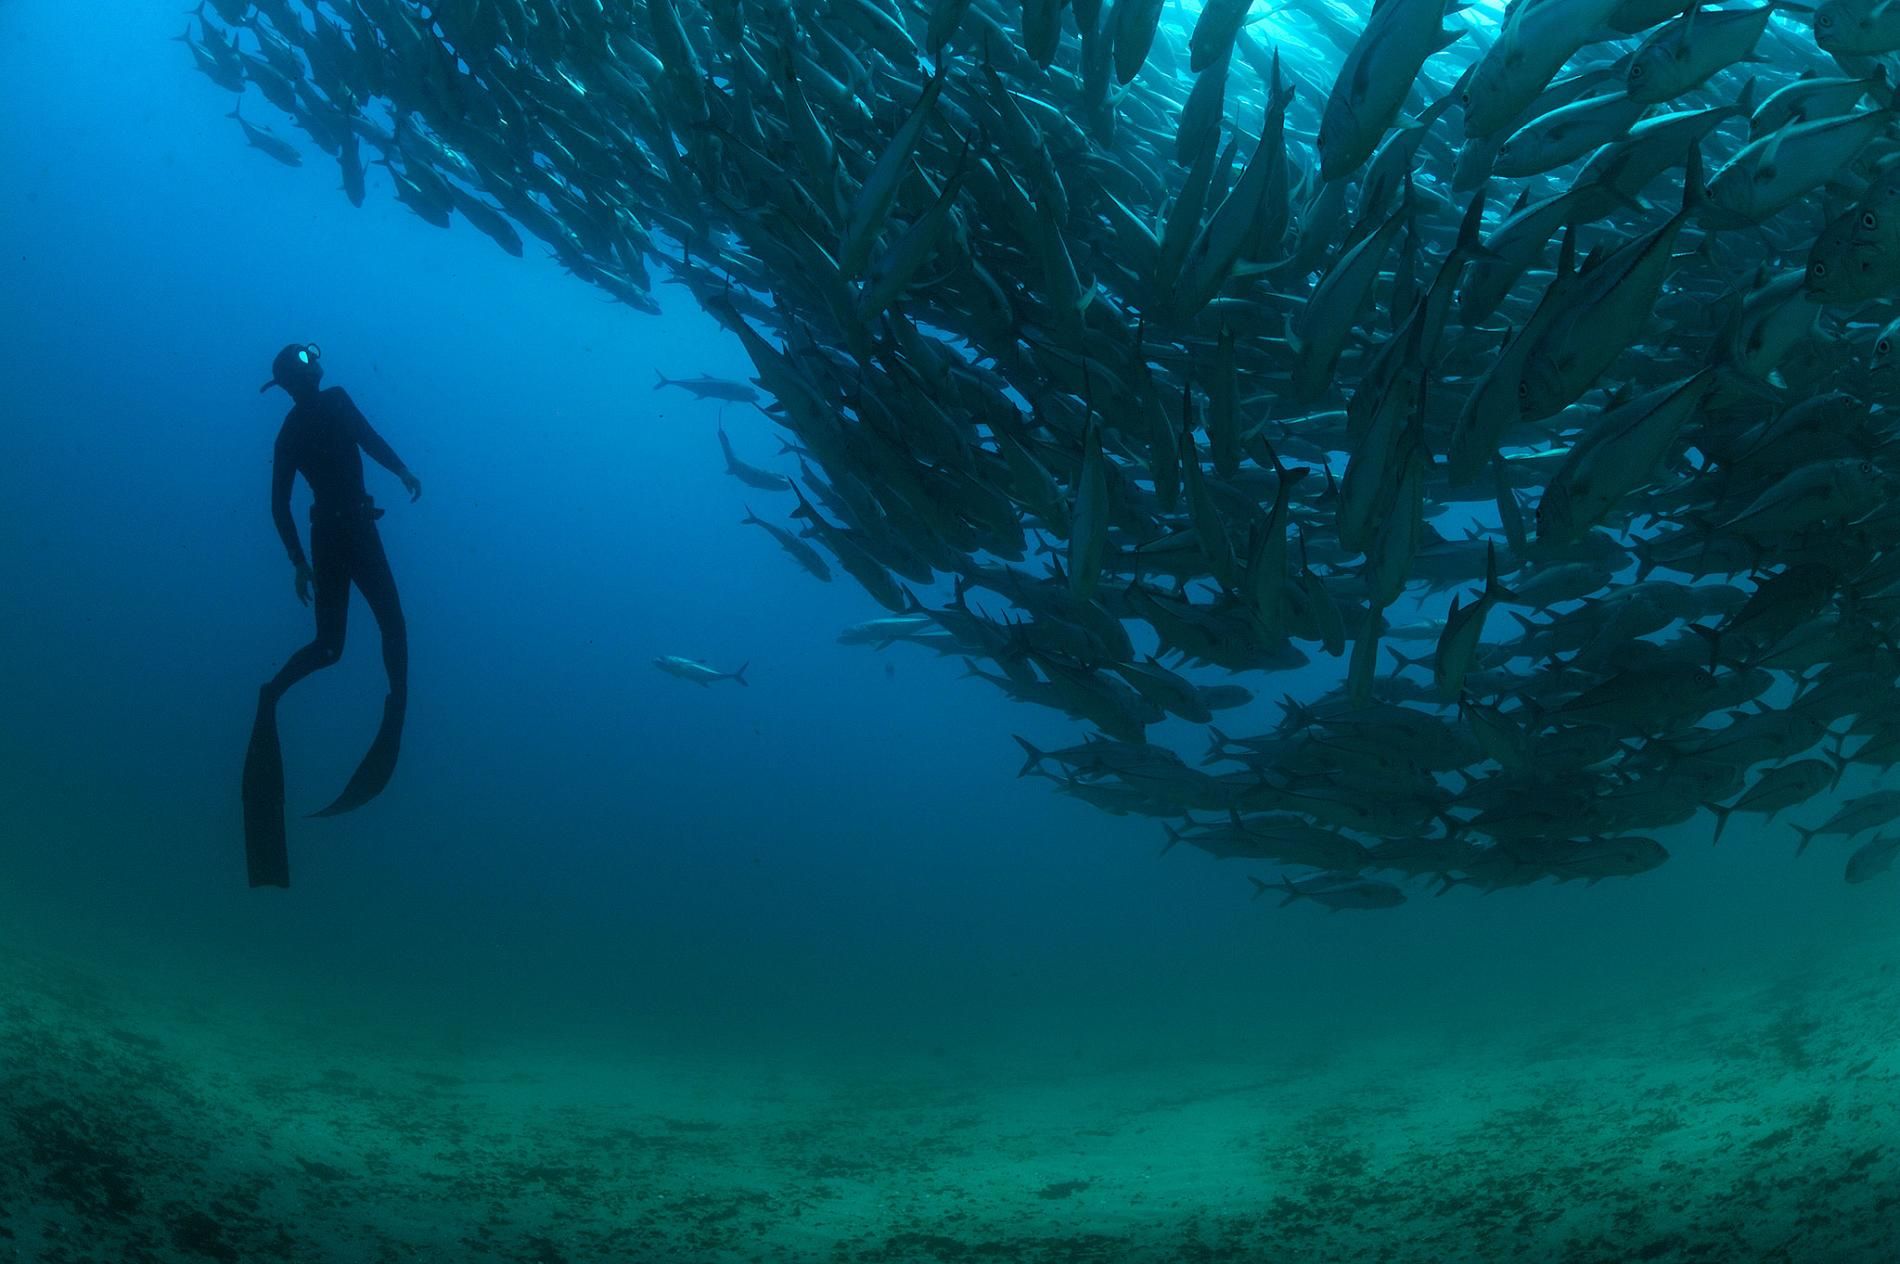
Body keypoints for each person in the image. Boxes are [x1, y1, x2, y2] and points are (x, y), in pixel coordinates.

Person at [242, 342, 421, 887]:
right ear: (300, 379)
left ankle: (274, 692)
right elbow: (367, 444)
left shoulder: (299, 424)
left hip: (337, 534)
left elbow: (364, 446)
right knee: (376, 635)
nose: (315, 369)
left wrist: (401, 470)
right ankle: (275, 694)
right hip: (351, 535)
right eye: (307, 365)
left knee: (337, 645)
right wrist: (402, 471)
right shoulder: (317, 414)